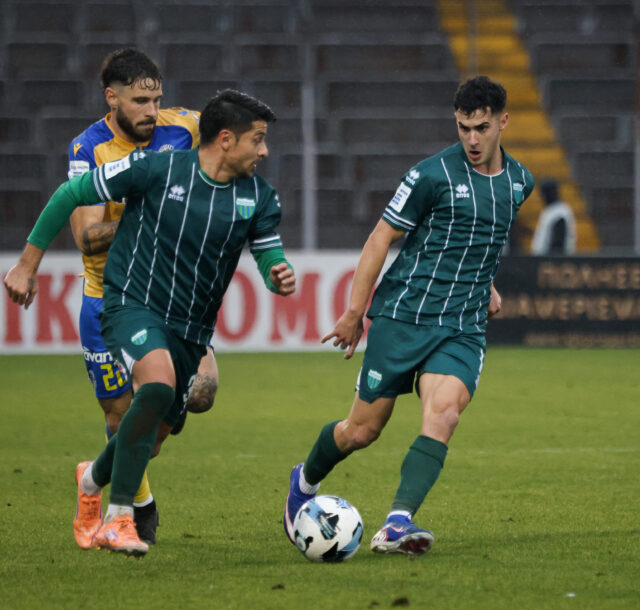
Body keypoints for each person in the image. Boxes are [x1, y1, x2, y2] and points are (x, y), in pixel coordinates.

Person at [4, 88, 296, 557]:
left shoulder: (258, 196)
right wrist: (26, 264)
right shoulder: (156, 168)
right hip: (132, 302)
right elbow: (71, 193)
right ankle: (119, 518)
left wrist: (277, 272)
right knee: (156, 387)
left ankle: (91, 478)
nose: (264, 151)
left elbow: (267, 249)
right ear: (225, 139)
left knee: (153, 437)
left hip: (191, 328)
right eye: (257, 139)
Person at [283, 75, 534, 555]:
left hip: (461, 326)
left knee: (444, 413)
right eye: (463, 128)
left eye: (481, 128)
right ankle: (305, 480)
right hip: (404, 315)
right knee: (361, 431)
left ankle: (397, 523)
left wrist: (485, 284)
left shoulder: (520, 181)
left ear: (503, 121)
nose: (472, 139)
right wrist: (355, 312)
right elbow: (381, 237)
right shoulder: (430, 176)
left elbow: (481, 236)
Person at [67, 47, 219, 545]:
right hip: (108, 297)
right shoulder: (88, 150)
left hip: (169, 294)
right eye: (139, 101)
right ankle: (134, 506)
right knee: (121, 414)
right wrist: (150, 214)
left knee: (198, 395)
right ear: (111, 98)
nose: (151, 111)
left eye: (156, 99)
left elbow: (229, 139)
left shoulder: (185, 127)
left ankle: (95, 477)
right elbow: (87, 236)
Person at [530, 179, 576, 255]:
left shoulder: (560, 213)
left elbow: (557, 245)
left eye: (545, 193)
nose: (543, 197)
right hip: (544, 259)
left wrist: (551, 259)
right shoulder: (550, 210)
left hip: (554, 260)